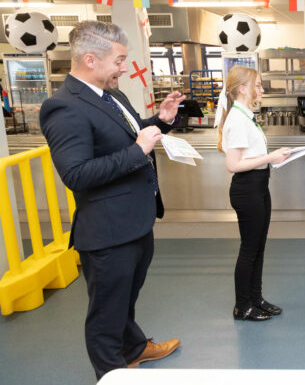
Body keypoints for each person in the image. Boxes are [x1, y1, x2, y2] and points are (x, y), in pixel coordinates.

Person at [39, 21, 184, 379]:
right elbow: (77, 174)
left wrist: (160, 122)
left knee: (125, 299)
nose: (123, 67)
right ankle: (112, 372)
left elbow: (128, 137)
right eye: (119, 60)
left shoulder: (111, 95)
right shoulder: (64, 107)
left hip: (134, 221)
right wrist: (139, 151)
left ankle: (134, 349)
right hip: (107, 231)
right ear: (90, 59)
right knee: (106, 314)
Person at [217, 66, 291, 321]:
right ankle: (242, 306)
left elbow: (252, 156)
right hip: (247, 189)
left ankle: (256, 299)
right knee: (249, 249)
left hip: (259, 184)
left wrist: (272, 159)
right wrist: (270, 157)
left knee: (258, 247)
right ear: (242, 89)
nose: (261, 90)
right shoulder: (237, 119)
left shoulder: (246, 115)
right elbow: (232, 165)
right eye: (258, 86)